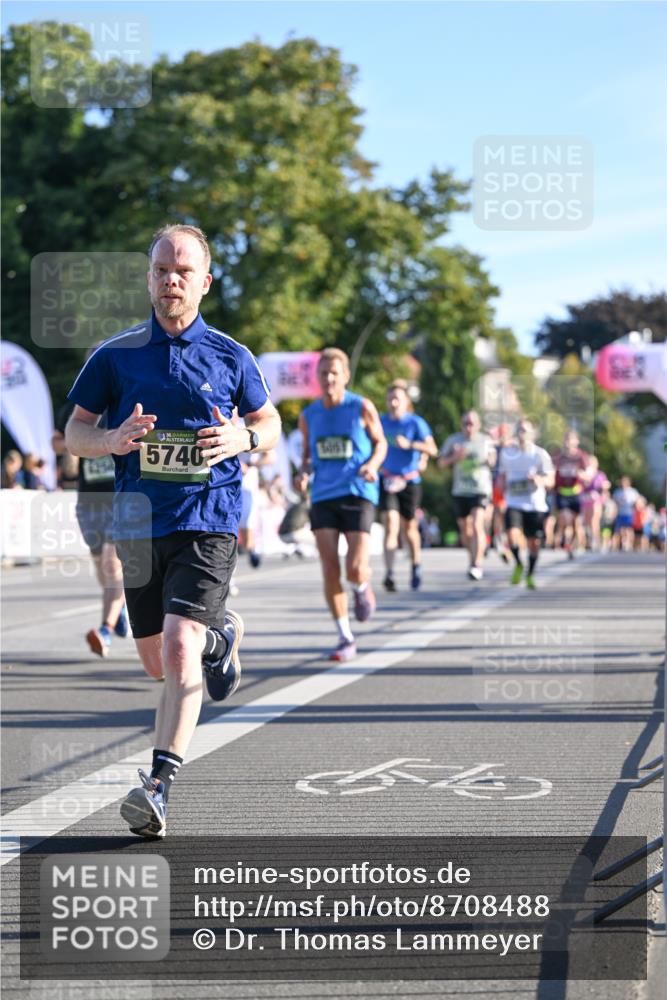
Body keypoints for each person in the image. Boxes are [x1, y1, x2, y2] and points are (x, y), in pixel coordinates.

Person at [65, 223, 281, 838]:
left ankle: (158, 785)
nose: (171, 281)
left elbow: (270, 424)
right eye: (161, 270)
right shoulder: (116, 355)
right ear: (149, 279)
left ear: (204, 283)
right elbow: (74, 433)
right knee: (159, 664)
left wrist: (244, 436)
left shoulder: (232, 357)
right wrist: (108, 439)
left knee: (180, 648)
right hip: (138, 523)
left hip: (208, 519)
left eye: (183, 271)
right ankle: (222, 640)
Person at [295, 347, 386, 661]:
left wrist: (373, 464)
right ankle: (345, 637)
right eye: (324, 373)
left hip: (358, 491)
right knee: (330, 567)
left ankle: (361, 588)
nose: (329, 378)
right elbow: (307, 457)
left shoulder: (361, 407)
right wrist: (303, 474)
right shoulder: (308, 415)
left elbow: (381, 443)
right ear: (318, 377)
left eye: (335, 373)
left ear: (346, 376)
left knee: (356, 568)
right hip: (323, 495)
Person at [53, 383, 130, 658]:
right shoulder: (75, 409)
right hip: (89, 500)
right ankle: (119, 605)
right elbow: (57, 440)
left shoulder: (127, 402)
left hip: (121, 497)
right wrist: (75, 445)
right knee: (102, 566)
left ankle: (105, 629)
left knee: (112, 562)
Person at [379, 380, 436, 591]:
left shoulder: (415, 423)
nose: (393, 403)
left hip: (410, 480)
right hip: (387, 479)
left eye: (397, 399)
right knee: (390, 526)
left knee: (409, 528)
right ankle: (390, 573)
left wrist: (411, 445)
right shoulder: (380, 421)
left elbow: (432, 449)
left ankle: (415, 565)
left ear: (406, 402)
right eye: (390, 399)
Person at [497, 418, 555, 589]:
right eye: (520, 430)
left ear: (532, 434)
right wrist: (500, 485)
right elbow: (501, 476)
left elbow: (551, 480)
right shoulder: (507, 454)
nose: (522, 434)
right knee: (512, 535)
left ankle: (529, 573)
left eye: (525, 431)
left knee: (534, 543)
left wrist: (539, 480)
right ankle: (518, 563)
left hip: (535, 504)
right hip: (514, 502)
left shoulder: (540, 454)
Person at [438, 410, 495, 580]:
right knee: (465, 529)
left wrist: (489, 460)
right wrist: (454, 457)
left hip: (480, 489)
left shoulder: (485, 441)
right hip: (460, 490)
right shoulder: (453, 440)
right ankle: (472, 559)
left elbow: (493, 460)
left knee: (477, 523)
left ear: (478, 425)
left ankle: (477, 564)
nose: (468, 427)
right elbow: (441, 463)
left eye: (472, 424)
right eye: (465, 424)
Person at [552, 430, 591, 558]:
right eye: (566, 439)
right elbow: (550, 471)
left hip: (576, 493)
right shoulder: (558, 457)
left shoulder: (581, 457)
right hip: (562, 492)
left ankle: (571, 545)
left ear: (577, 441)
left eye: (571, 439)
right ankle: (563, 538)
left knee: (575, 523)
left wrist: (582, 475)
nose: (568, 442)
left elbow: (589, 475)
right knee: (564, 517)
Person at [612, 475, 639, 552]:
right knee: (621, 529)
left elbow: (636, 502)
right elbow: (615, 503)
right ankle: (623, 543)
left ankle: (629, 544)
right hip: (621, 513)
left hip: (629, 513)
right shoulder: (617, 492)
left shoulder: (633, 491)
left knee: (629, 529)